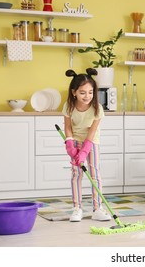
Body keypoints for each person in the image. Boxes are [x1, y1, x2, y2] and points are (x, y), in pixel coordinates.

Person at [62, 68, 111, 222]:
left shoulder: (97, 108)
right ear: (74, 92)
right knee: (76, 174)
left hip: (92, 142)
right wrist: (70, 145)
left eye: (90, 92)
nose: (87, 96)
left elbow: (92, 131)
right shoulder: (69, 106)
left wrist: (84, 152)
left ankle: (97, 209)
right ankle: (77, 208)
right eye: (82, 92)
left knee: (94, 173)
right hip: (75, 140)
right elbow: (68, 127)